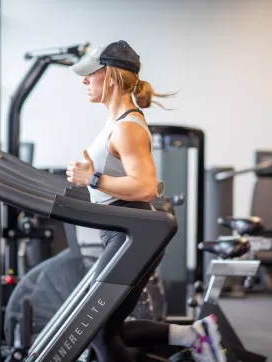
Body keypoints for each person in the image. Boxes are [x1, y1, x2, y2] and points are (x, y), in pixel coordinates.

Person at [66, 40, 226, 362]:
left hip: (132, 231)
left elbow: (145, 188)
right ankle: (192, 335)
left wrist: (92, 179)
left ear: (109, 76)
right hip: (122, 230)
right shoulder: (116, 122)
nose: (84, 80)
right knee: (105, 328)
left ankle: (193, 335)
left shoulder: (127, 128)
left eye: (90, 74)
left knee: (97, 328)